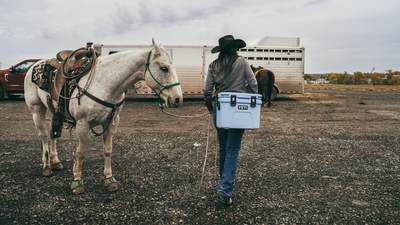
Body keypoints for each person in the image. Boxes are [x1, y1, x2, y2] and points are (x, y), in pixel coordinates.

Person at [203, 35, 258, 205]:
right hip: (238, 110)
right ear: (234, 48)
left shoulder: (213, 65)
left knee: (223, 148)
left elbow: (207, 90)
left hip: (220, 109)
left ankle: (224, 184)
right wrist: (253, 101)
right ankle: (225, 191)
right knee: (233, 148)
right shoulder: (242, 62)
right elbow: (253, 83)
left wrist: (209, 107)